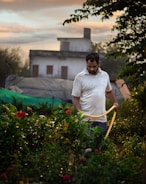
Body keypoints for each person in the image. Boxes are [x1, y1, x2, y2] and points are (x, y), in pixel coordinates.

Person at [72, 52, 119, 132]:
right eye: (89, 66)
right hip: (86, 120)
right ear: (86, 63)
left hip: (101, 119)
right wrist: (80, 112)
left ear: (99, 63)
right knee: (87, 143)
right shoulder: (80, 77)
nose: (91, 69)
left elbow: (109, 91)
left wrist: (115, 102)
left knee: (100, 143)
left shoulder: (104, 75)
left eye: (94, 66)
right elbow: (75, 98)